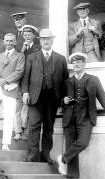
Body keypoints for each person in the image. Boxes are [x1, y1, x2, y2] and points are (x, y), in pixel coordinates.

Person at [56, 53, 105, 179]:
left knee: (83, 142)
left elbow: (102, 96)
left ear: (84, 64)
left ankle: (62, 159)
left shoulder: (93, 80)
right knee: (70, 146)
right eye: (74, 63)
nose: (76, 65)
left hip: (85, 118)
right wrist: (64, 101)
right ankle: (73, 178)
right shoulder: (67, 82)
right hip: (69, 118)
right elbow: (60, 100)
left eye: (79, 62)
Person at [21, 29, 69, 163]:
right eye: (43, 39)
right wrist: (25, 92)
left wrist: (64, 98)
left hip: (52, 98)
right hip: (35, 97)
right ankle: (32, 155)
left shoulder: (60, 59)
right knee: (34, 125)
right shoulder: (31, 57)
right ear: (40, 41)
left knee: (49, 127)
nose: (46, 41)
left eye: (48, 39)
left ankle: (46, 155)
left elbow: (65, 81)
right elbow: (25, 78)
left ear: (52, 41)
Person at [13, 24, 41, 141]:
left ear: (34, 36)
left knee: (28, 106)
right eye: (25, 34)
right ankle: (18, 131)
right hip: (19, 80)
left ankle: (25, 131)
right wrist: (22, 50)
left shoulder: (38, 47)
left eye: (30, 34)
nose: (27, 36)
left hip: (31, 81)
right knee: (17, 106)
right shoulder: (19, 47)